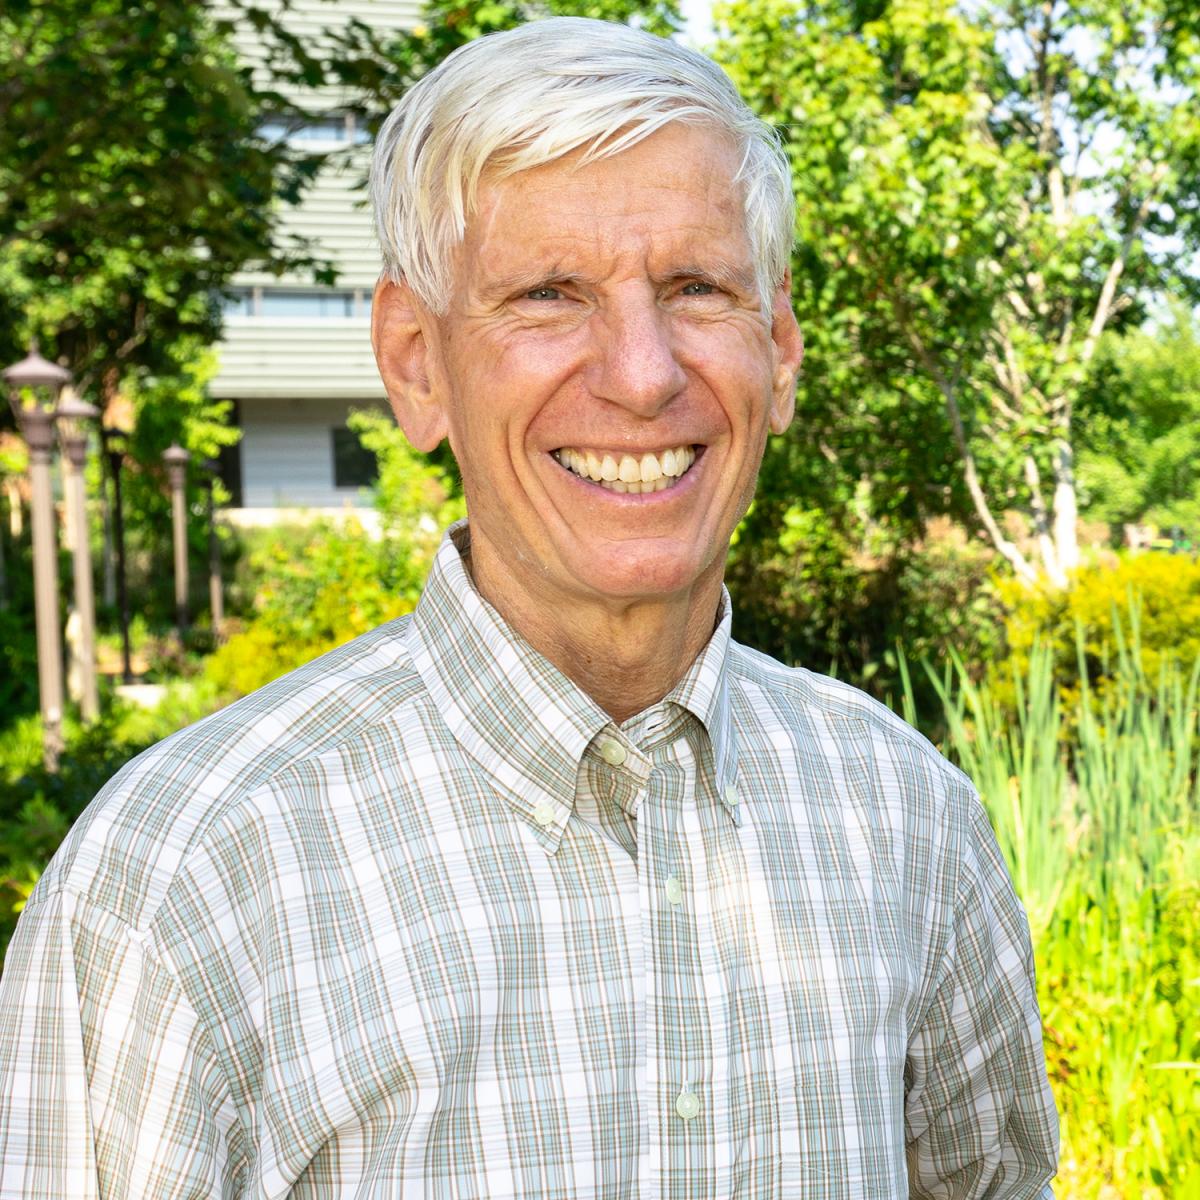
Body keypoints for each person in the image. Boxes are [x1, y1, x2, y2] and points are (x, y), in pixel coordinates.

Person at [0, 17, 1058, 1198]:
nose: (643, 373)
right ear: (415, 364)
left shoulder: (907, 818)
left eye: (697, 288)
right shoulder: (190, 881)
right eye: (550, 296)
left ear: (782, 348)